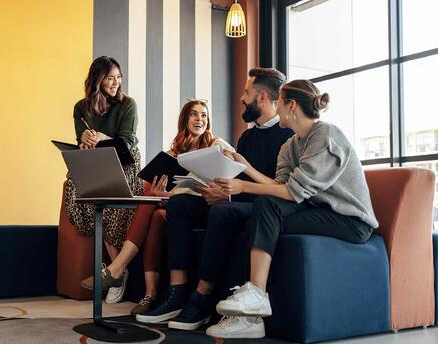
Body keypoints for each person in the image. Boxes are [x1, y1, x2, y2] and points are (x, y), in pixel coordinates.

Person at [207, 79, 378, 339]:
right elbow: (279, 187)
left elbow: (292, 192)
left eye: (280, 102)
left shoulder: (326, 135)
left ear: (291, 106)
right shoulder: (290, 145)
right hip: (317, 210)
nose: (276, 108)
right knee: (257, 217)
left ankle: (256, 295)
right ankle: (251, 317)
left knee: (265, 207)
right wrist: (245, 167)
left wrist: (243, 186)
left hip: (350, 220)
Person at [136, 68, 294, 331]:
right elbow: (232, 176)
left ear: (263, 97)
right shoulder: (247, 136)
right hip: (238, 199)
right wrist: (218, 190)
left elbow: (279, 189)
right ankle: (177, 292)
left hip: (265, 207)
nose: (242, 98)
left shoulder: (287, 136)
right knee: (179, 204)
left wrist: (228, 195)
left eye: (246, 92)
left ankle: (201, 299)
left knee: (222, 211)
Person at [80, 99, 233, 309]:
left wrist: (169, 195)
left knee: (154, 204)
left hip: (206, 206)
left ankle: (117, 269)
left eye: (204, 115)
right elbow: (157, 189)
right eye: (194, 114)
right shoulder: (172, 154)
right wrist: (162, 193)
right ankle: (149, 294)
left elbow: (229, 177)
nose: (199, 119)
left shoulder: (216, 145)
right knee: (154, 210)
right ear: (185, 120)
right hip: (178, 206)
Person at [64, 56, 143, 303]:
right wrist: (85, 140)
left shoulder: (128, 104)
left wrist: (100, 136)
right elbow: (81, 140)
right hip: (96, 160)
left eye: (119, 77)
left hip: (124, 161)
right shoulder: (80, 107)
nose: (116, 82)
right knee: (77, 188)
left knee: (109, 204)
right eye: (110, 78)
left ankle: (116, 271)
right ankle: (118, 271)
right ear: (97, 80)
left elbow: (128, 142)